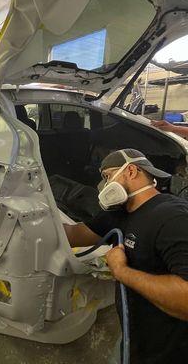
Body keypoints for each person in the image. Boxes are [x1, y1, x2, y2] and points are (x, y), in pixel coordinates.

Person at [64, 149, 188, 364]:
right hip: (134, 337)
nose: (103, 186)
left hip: (170, 350)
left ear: (131, 171)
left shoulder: (173, 217)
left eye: (107, 177)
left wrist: (121, 271)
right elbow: (72, 235)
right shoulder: (119, 214)